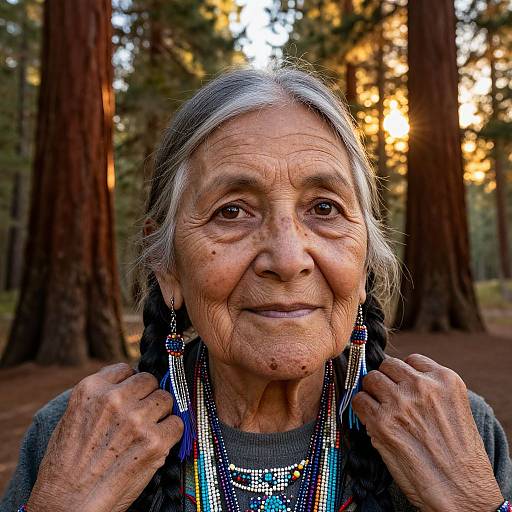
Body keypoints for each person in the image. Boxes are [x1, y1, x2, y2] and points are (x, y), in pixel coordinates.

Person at [1, 64, 511, 512]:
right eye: (232, 212)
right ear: (169, 268)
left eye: (324, 208)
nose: (288, 260)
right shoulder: (78, 439)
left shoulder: (455, 430)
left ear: (365, 259)